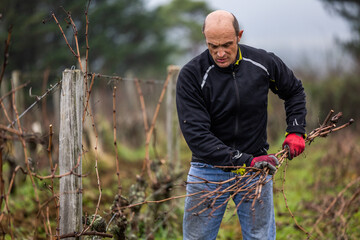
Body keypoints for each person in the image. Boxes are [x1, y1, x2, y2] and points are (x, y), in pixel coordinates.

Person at [176, 10, 306, 240]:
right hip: (208, 170)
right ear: (204, 38)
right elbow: (196, 135)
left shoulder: (263, 63)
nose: (220, 53)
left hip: (256, 171)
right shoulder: (191, 75)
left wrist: (295, 130)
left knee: (260, 237)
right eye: (212, 46)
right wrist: (245, 160)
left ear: (239, 36)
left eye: (227, 44)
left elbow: (294, 90)